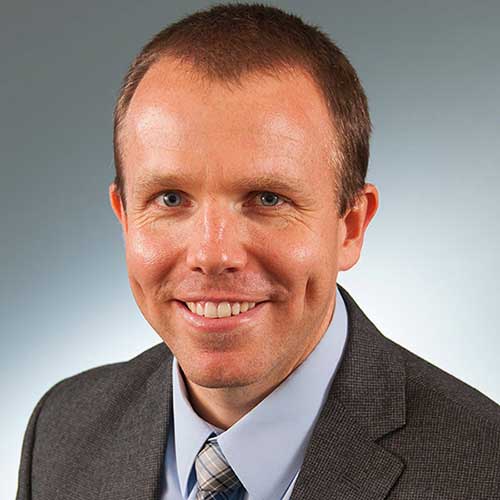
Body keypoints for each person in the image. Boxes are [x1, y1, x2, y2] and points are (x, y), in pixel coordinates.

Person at [16, 3, 500, 500]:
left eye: (268, 199)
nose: (211, 254)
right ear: (124, 217)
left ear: (350, 227)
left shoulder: (485, 470)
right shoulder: (62, 433)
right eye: (170, 199)